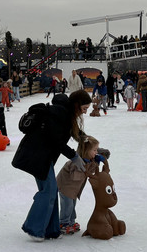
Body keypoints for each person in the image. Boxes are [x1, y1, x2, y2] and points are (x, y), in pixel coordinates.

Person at [12, 89, 92, 241]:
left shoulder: (65, 114)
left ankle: (51, 230)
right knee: (48, 191)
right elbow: (56, 140)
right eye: (84, 108)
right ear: (77, 104)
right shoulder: (59, 113)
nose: (85, 112)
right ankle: (34, 229)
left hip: (42, 156)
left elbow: (71, 132)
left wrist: (86, 139)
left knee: (51, 190)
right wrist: (74, 156)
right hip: (35, 155)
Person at [56, 134, 107, 234]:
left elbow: (89, 171)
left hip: (73, 189)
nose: (96, 152)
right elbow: (76, 177)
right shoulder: (75, 163)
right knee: (67, 205)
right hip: (65, 187)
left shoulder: (88, 160)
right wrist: (88, 169)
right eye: (94, 150)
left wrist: (96, 163)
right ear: (86, 151)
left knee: (72, 204)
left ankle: (71, 222)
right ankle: (63, 223)